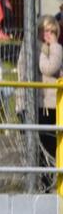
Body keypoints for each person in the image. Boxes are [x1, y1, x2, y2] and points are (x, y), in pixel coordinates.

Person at [36, 16, 62, 190]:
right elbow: (47, 68)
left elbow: (53, 68)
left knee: (53, 145)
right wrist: (52, 47)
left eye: (53, 31)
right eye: (46, 31)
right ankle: (45, 183)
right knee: (45, 145)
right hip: (44, 105)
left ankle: (52, 182)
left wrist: (53, 46)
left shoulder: (53, 49)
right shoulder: (42, 49)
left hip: (54, 105)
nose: (49, 35)